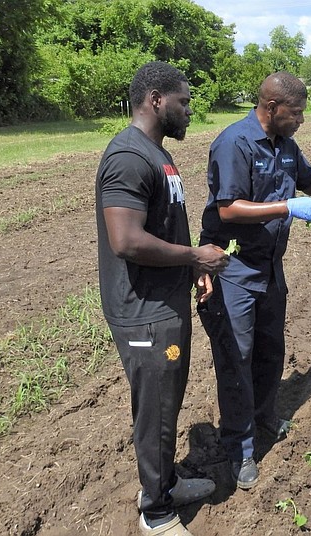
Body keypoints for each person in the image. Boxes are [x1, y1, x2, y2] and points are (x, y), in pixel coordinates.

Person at [197, 71, 311, 490]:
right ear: (272, 108)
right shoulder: (235, 143)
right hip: (234, 269)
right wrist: (286, 207)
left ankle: (263, 417)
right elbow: (227, 209)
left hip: (270, 269)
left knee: (269, 350)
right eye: (295, 113)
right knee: (236, 358)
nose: (301, 120)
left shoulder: (286, 145)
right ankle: (239, 448)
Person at [95, 61, 229, 536]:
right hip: (143, 311)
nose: (190, 110)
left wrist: (192, 267)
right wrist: (196, 253)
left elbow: (163, 226)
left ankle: (165, 482)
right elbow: (126, 240)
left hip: (164, 303)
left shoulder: (158, 154)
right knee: (155, 411)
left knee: (167, 403)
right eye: (184, 101)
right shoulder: (129, 157)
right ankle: (156, 512)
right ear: (156, 99)